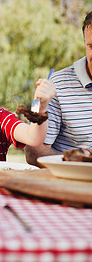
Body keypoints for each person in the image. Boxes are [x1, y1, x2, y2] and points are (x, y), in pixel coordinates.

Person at [25, 10, 92, 167]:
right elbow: (34, 153)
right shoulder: (58, 84)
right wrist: (83, 162)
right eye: (91, 46)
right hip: (70, 182)